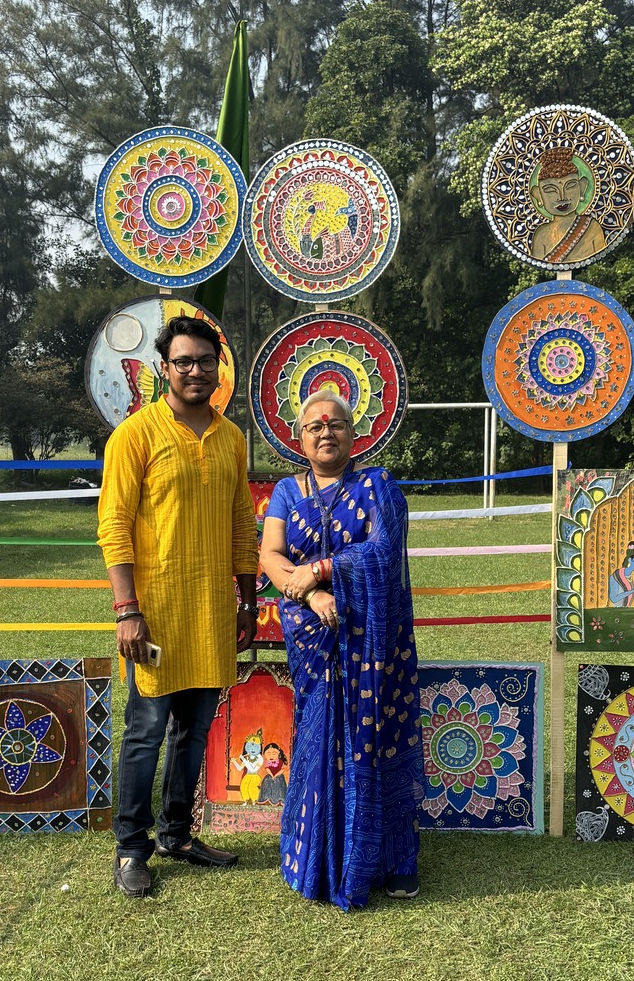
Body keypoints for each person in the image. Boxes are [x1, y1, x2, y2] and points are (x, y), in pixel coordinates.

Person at [99, 315, 258, 897]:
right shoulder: (135, 435)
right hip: (155, 614)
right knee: (146, 730)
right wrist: (127, 610)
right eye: (183, 362)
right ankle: (131, 848)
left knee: (195, 731)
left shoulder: (231, 438)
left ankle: (177, 835)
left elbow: (242, 524)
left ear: (219, 368)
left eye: (205, 361)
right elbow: (114, 526)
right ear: (164, 369)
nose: (195, 371)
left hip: (211, 610)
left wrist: (247, 602)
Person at [258, 390, 423, 910]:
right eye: (315, 426)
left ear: (354, 434)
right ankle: (320, 859)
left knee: (376, 736)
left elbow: (383, 550)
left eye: (336, 425)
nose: (325, 433)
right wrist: (312, 592)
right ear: (298, 438)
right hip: (312, 632)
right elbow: (271, 556)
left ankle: (391, 860)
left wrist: (323, 568)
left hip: (371, 635)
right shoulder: (287, 491)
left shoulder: (377, 486)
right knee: (319, 735)